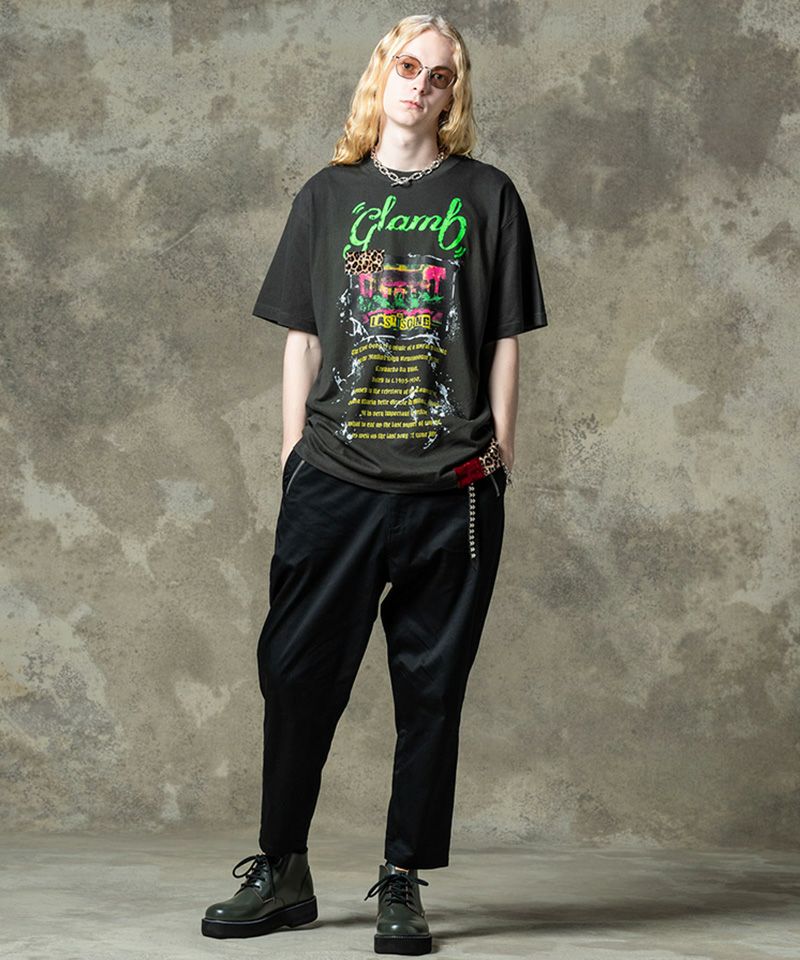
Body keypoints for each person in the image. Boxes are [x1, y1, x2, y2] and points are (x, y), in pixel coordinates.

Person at [201, 12, 548, 956]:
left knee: (430, 688)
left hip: (453, 487)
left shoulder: (487, 194)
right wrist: (292, 454)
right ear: (381, 75)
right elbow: (303, 338)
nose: (421, 86)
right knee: (295, 674)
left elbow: (503, 338)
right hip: (335, 480)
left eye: (441, 76)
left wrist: (502, 455)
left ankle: (403, 876)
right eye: (408, 66)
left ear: (453, 95)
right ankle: (282, 869)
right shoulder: (327, 195)